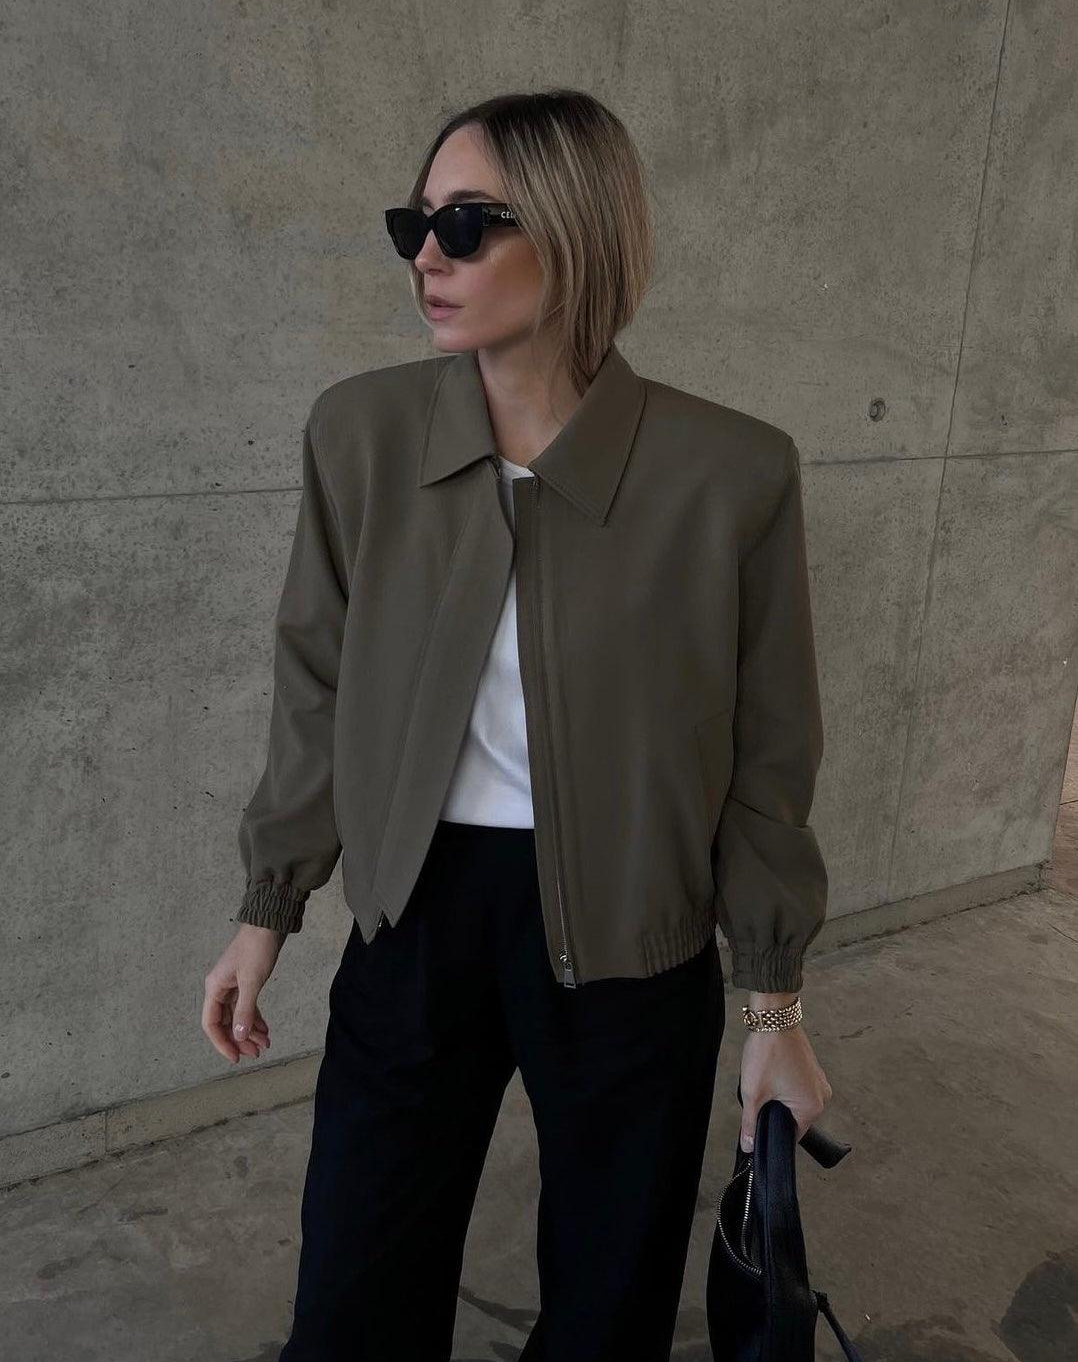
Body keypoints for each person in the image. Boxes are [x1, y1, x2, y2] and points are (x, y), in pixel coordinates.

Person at [201, 88, 833, 1361]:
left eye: (468, 225)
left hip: (632, 934)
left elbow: (768, 754)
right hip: (414, 915)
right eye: (416, 223)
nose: (427, 257)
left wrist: (772, 1011)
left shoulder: (730, 475)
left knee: (608, 1308)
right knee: (353, 1297)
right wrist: (268, 906)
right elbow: (314, 680)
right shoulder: (361, 435)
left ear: (579, 233)